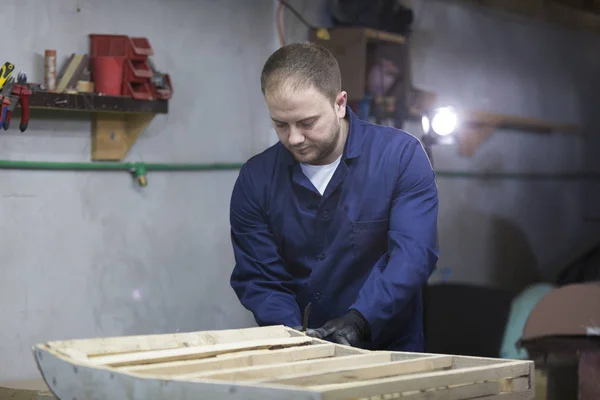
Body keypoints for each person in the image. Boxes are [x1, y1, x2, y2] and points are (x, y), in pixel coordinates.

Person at [229, 42, 439, 352]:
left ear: (340, 104)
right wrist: (296, 339)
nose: (294, 138)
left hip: (390, 351)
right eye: (280, 125)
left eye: (307, 123)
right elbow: (261, 277)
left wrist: (360, 320)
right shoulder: (255, 180)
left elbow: (412, 255)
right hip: (298, 357)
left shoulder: (400, 158)